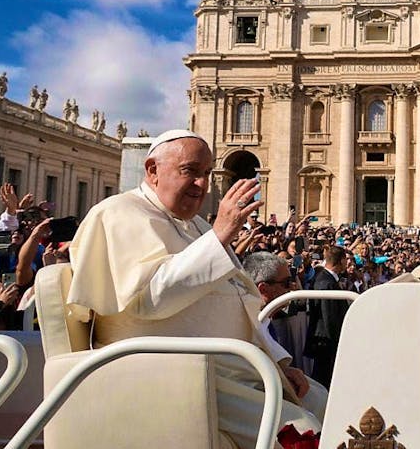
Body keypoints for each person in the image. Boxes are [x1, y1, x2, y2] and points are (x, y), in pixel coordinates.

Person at [66, 129, 320, 448]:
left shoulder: (196, 225)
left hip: (232, 366)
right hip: (177, 372)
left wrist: (282, 362)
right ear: (152, 170)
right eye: (190, 171)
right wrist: (219, 237)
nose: (201, 185)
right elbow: (149, 300)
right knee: (305, 433)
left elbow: (241, 304)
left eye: (206, 174)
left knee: (328, 401)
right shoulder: (118, 213)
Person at [242, 251, 328, 421]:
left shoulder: (265, 318)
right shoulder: (245, 320)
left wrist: (284, 369)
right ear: (264, 289)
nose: (293, 287)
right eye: (287, 283)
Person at [303, 244, 349, 388]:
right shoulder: (326, 282)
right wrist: (336, 341)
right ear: (341, 260)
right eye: (346, 260)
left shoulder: (328, 279)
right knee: (323, 380)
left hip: (326, 341)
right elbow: (329, 316)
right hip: (325, 341)